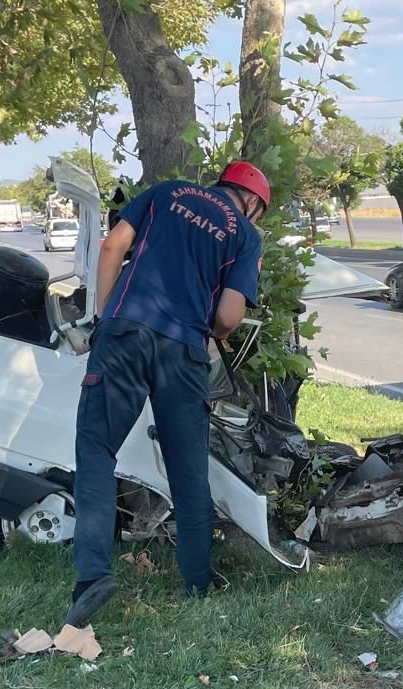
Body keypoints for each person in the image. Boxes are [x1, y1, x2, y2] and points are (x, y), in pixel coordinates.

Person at [64, 162, 268, 628]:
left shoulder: (167, 192)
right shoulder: (245, 235)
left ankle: (92, 576)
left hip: (125, 332)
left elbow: (113, 246)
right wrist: (207, 327)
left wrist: (104, 317)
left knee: (96, 451)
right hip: (185, 352)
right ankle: (197, 581)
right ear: (253, 203)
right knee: (188, 468)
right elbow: (231, 317)